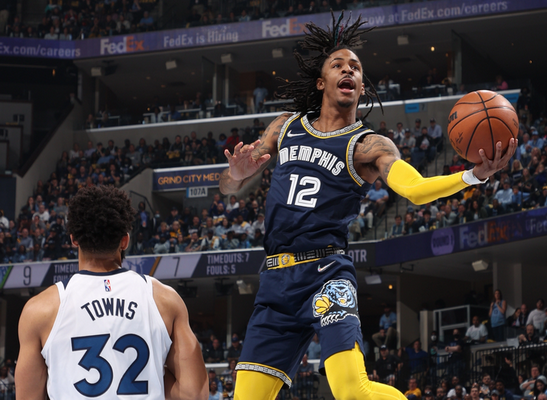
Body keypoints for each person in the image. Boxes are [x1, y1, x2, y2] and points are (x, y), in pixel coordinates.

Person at [219, 13, 516, 400]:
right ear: (321, 82)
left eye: (356, 68)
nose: (348, 69)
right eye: (338, 65)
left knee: (352, 392)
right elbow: (229, 187)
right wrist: (236, 175)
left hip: (326, 273)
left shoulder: (369, 145)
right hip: (275, 281)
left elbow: (415, 189)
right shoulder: (285, 126)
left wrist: (473, 176)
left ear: (361, 87)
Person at [15, 186, 208, 400]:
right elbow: (194, 394)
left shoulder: (40, 309)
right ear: (125, 240)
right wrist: (151, 374)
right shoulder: (164, 299)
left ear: (74, 239)